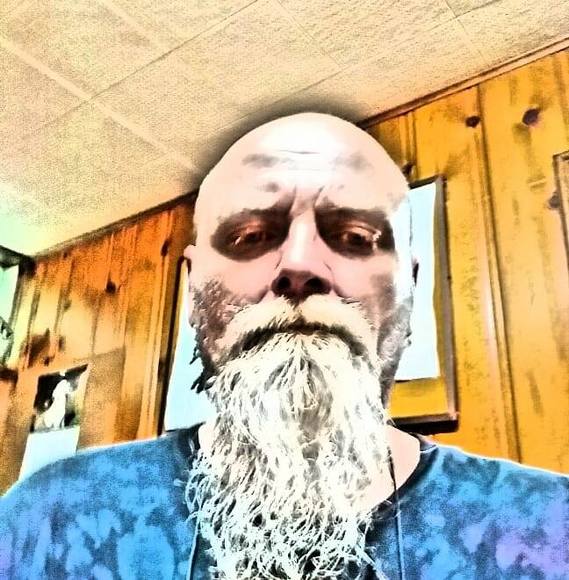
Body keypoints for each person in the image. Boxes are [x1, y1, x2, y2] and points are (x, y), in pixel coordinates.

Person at [1, 113, 567, 579]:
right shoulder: (47, 519)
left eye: (355, 237)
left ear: (410, 290)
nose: (299, 264)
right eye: (250, 236)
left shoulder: (548, 530)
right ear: (194, 291)